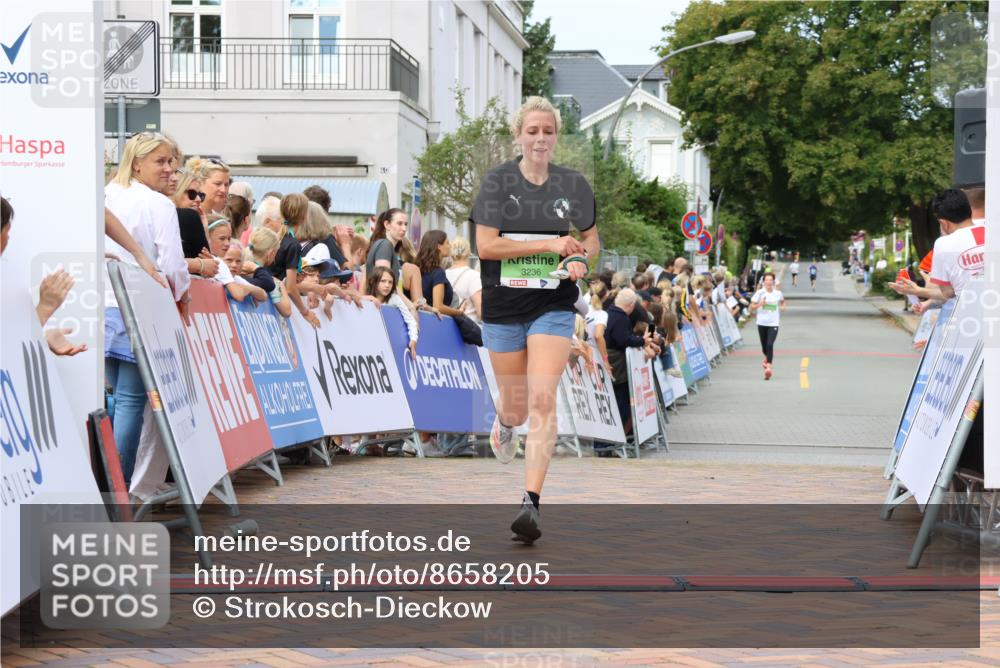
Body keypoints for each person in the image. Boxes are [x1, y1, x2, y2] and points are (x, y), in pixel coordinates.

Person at [471, 96, 600, 544]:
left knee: (543, 400)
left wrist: (581, 258)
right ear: (518, 135)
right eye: (532, 131)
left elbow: (590, 239)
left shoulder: (573, 185)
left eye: (548, 131)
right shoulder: (496, 184)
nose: (540, 138)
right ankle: (504, 424)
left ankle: (531, 502)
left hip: (553, 305)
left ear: (556, 136)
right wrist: (549, 247)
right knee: (517, 406)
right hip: (503, 307)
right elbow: (487, 246)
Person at [104, 132, 191, 485]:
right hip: (138, 307)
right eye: (161, 161)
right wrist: (182, 294)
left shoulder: (106, 194)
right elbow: (171, 263)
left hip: (100, 305)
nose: (170, 168)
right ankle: (118, 487)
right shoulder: (159, 205)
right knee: (128, 402)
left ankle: (110, 481)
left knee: (115, 398)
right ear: (136, 163)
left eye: (172, 161)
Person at [889, 188, 984, 303]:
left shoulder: (943, 244)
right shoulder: (992, 231)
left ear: (943, 223)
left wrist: (917, 290)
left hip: (970, 312)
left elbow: (948, 293)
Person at [264, 193, 320, 328]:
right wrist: (305, 312)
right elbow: (290, 288)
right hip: (275, 302)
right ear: (304, 217)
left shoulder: (278, 237)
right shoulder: (292, 244)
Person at [364, 208, 424, 304]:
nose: (404, 229)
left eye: (405, 224)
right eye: (399, 223)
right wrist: (409, 305)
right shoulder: (385, 246)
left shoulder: (386, 246)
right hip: (383, 308)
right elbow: (383, 281)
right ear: (387, 224)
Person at [205, 213, 268, 302]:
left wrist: (250, 289)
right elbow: (238, 295)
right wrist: (247, 289)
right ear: (207, 237)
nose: (227, 243)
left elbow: (263, 296)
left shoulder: (224, 267)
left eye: (229, 239)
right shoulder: (218, 263)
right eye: (222, 238)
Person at [750, 272, 786, 381]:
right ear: (764, 282)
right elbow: (752, 306)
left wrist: (783, 307)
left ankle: (768, 367)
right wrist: (760, 304)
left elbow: (783, 302)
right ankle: (766, 359)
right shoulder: (759, 293)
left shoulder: (778, 293)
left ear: (773, 282)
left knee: (770, 344)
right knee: (764, 347)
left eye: (771, 280)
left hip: (774, 323)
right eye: (767, 280)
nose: (769, 282)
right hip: (761, 323)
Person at [445, 235, 483, 322]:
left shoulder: (443, 274)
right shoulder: (474, 276)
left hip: (447, 325)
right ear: (468, 253)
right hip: (467, 327)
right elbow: (481, 312)